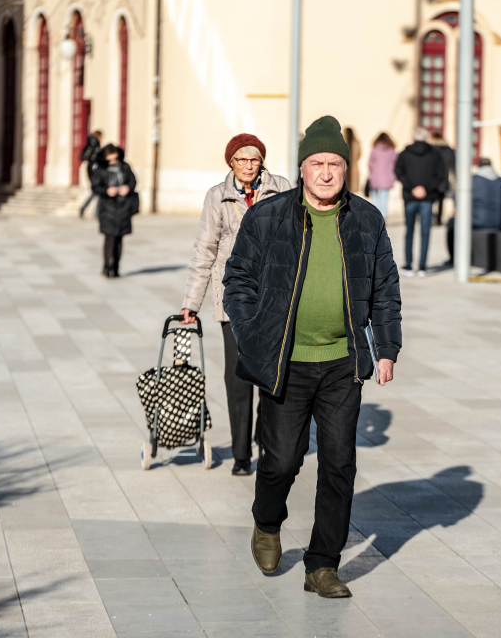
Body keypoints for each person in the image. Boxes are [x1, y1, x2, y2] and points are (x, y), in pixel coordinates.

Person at [223, 115, 402, 600]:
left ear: (347, 168)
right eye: (317, 163)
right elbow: (237, 279)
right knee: (281, 460)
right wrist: (251, 332)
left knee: (340, 463)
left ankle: (323, 565)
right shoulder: (268, 216)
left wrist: (385, 349)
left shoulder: (366, 219)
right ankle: (267, 522)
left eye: (335, 164)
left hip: (343, 362)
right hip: (287, 361)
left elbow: (385, 287)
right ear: (302, 169)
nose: (325, 173)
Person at [180, 134, 292, 476]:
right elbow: (204, 250)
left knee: (273, 375)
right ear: (231, 162)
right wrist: (191, 304)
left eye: (254, 159)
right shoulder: (218, 196)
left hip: (273, 297)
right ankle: (242, 454)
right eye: (241, 160)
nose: (248, 165)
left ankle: (267, 441)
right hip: (234, 299)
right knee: (238, 376)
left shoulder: (282, 188)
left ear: (262, 162)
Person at [394, 126, 447, 276]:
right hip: (427, 197)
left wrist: (412, 188)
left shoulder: (404, 153)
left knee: (409, 231)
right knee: (425, 232)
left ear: (413, 138)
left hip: (410, 197)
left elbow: (399, 172)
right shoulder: (435, 154)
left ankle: (409, 266)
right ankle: (422, 267)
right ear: (426, 138)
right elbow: (440, 174)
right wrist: (426, 188)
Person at [445, 157, 501, 269]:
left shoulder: (471, 180)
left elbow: (458, 200)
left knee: (451, 223)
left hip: (477, 221)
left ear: (478, 167)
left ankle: (453, 259)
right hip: (498, 222)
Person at [90, 144, 137, 277]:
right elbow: (95, 186)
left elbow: (133, 181)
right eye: (109, 160)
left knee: (119, 238)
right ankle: (106, 266)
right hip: (107, 207)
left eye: (115, 159)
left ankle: (116, 267)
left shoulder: (125, 166)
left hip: (123, 206)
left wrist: (128, 187)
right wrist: (106, 190)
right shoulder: (100, 169)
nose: (113, 162)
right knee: (109, 237)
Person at [366, 133, 397, 219]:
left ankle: (375, 215)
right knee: (384, 197)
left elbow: (369, 163)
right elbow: (395, 163)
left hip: (375, 176)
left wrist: (373, 171)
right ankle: (383, 216)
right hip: (387, 176)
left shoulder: (375, 149)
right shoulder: (391, 150)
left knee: (375, 196)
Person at [430, 131, 455, 226]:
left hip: (431, 178)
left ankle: (431, 218)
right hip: (443, 178)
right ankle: (439, 219)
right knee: (440, 200)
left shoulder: (430, 149)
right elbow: (452, 165)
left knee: (430, 200)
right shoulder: (448, 150)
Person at [78, 130, 104, 218]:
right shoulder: (95, 144)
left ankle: (85, 209)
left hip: (90, 168)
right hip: (94, 169)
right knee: (98, 190)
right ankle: (96, 213)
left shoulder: (89, 143)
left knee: (96, 191)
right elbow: (97, 158)